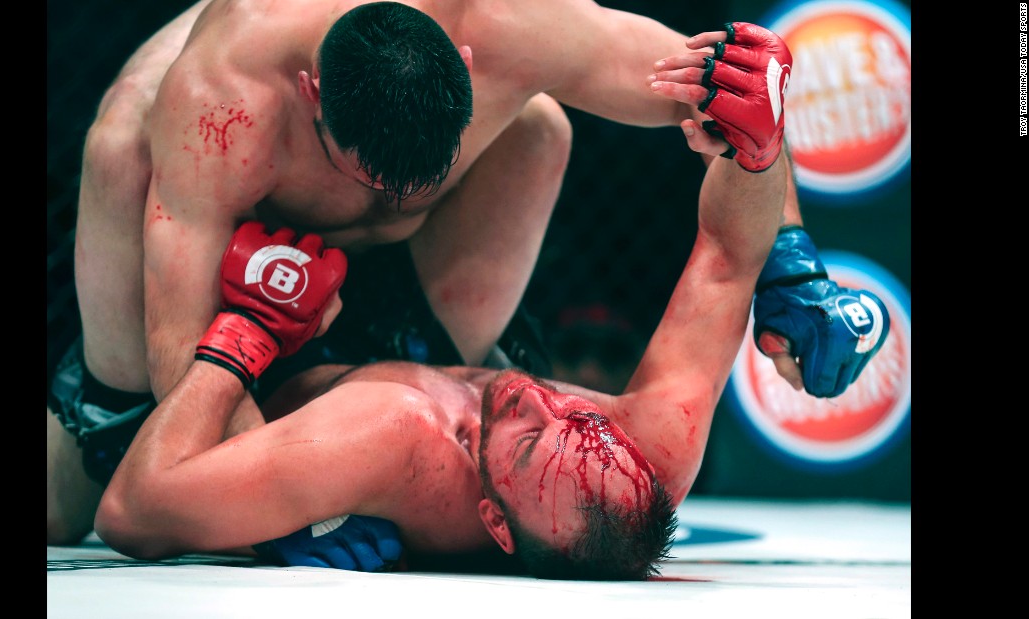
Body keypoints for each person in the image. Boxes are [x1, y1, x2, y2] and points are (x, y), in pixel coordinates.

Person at [48, 0, 889, 557]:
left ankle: (374, 352)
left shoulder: (390, 434)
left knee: (536, 129)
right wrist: (257, 519)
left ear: (463, 60)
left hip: (313, 344)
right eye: (365, 179)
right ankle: (102, 406)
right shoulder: (218, 108)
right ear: (310, 98)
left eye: (534, 431)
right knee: (118, 151)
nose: (537, 396)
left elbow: (731, 108)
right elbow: (173, 382)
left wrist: (791, 256)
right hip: (200, 269)